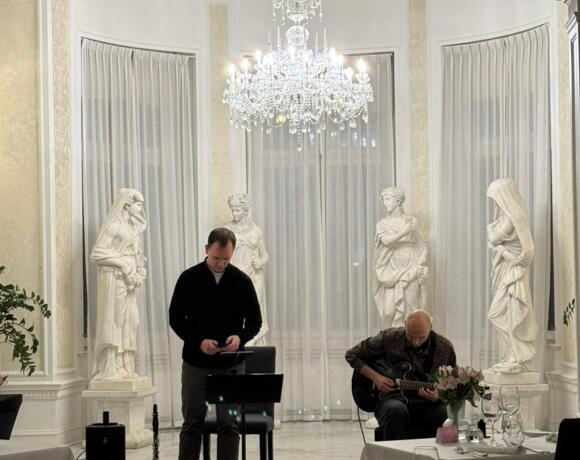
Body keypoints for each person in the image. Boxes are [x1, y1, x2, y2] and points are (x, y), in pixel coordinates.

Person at [169, 228, 262, 460]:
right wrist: (199, 342)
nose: (220, 264)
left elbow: (255, 321)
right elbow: (176, 319)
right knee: (192, 423)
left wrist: (240, 338)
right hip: (195, 363)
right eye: (216, 258)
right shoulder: (188, 278)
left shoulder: (242, 281)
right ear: (206, 249)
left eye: (226, 259)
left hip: (231, 364)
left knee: (229, 425)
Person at [345, 310, 456, 441]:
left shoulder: (444, 348)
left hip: (428, 405)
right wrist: (376, 378)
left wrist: (438, 395)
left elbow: (452, 386)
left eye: (421, 337)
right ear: (405, 324)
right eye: (410, 336)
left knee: (448, 416)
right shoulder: (390, 337)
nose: (415, 342)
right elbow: (352, 355)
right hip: (391, 401)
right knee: (395, 409)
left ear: (430, 327)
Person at [90, 188, 147, 380]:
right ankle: (111, 367)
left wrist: (138, 270)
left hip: (129, 282)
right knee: (115, 320)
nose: (140, 208)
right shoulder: (115, 226)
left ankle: (126, 366)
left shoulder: (132, 228)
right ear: (127, 205)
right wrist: (122, 264)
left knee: (131, 321)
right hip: (115, 279)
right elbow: (97, 253)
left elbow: (137, 255)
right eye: (138, 204)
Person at [487, 178, 538, 374]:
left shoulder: (513, 216)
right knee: (502, 314)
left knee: (504, 313)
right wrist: (500, 248)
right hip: (504, 269)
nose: (494, 204)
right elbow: (493, 241)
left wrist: (500, 248)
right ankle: (510, 356)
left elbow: (493, 239)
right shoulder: (504, 218)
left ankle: (517, 357)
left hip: (513, 272)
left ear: (503, 196)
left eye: (495, 199)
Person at [373, 187, 429, 328]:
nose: (385, 203)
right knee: (388, 311)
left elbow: (422, 245)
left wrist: (422, 259)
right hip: (390, 269)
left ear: (398, 201)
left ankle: (409, 339)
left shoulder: (411, 221)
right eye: (384, 200)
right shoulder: (382, 224)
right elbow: (387, 241)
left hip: (411, 268)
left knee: (411, 310)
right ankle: (388, 337)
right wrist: (405, 231)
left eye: (387, 199)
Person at [225, 193, 270, 345]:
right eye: (232, 210)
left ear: (245, 210)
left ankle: (253, 340)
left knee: (255, 310)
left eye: (237, 210)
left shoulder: (256, 230)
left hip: (255, 276)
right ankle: (238, 341)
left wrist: (261, 261)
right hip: (235, 276)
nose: (234, 213)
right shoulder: (227, 230)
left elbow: (265, 254)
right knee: (235, 311)